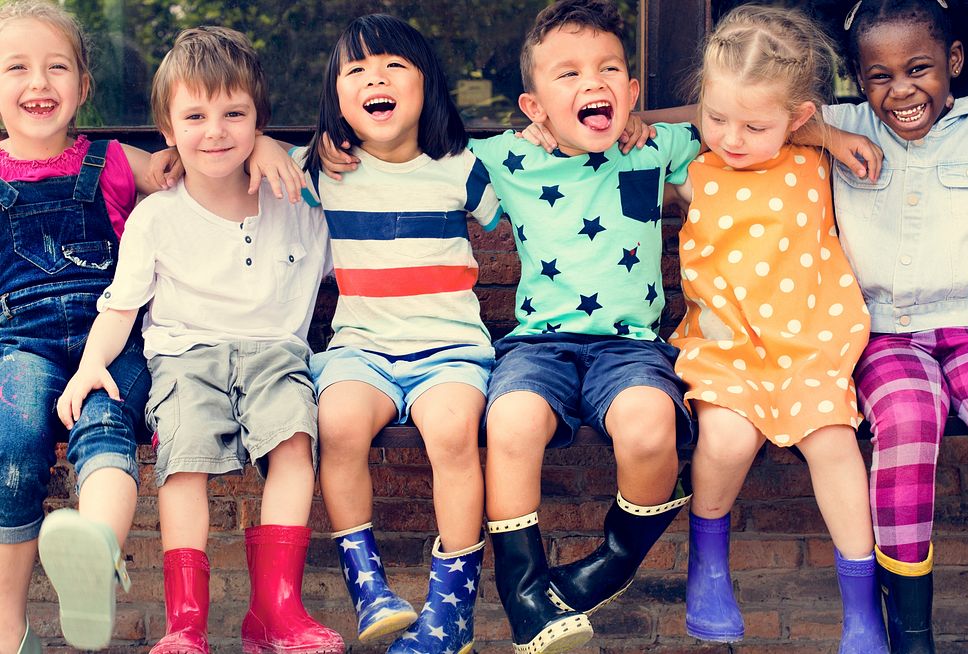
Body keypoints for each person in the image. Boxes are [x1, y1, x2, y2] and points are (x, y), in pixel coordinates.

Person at [57, 26, 343, 654]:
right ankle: (185, 623)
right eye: (195, 115)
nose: (215, 131)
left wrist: (276, 147)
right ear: (167, 131)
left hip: (277, 354)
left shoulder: (299, 190)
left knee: (295, 444)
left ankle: (277, 612)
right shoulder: (157, 216)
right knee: (182, 465)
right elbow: (121, 307)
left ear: (258, 121)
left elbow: (364, 144)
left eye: (235, 114)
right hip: (186, 357)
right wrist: (89, 367)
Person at [651, 6, 889, 652]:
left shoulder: (810, 158)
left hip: (809, 347)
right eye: (717, 117)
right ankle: (709, 567)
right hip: (726, 346)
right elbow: (650, 127)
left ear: (797, 120)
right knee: (725, 438)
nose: (730, 137)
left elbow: (815, 134)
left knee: (835, 444)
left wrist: (833, 140)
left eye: (755, 125)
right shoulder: (692, 164)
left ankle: (863, 611)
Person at [465, 1, 701, 650]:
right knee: (509, 424)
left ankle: (608, 566)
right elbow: (414, 150)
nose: (590, 83)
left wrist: (646, 118)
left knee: (652, 432)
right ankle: (523, 593)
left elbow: (734, 115)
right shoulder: (507, 157)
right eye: (566, 75)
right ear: (534, 105)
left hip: (630, 349)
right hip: (539, 346)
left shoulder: (652, 147)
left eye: (607, 71)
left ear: (628, 91)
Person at [297, 14, 501, 654]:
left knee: (451, 434)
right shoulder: (323, 174)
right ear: (337, 100)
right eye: (355, 71)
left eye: (393, 66)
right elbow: (241, 156)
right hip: (361, 347)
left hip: (451, 351)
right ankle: (369, 587)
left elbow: (528, 191)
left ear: (426, 86)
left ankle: (451, 609)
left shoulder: (463, 169)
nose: (374, 79)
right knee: (339, 425)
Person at [0, 1, 179, 650]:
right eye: (16, 67)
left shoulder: (117, 163)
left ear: (84, 85)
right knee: (13, 444)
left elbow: (192, 162)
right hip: (23, 347)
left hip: (113, 344)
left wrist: (265, 142)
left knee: (106, 420)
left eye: (56, 67)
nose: (38, 83)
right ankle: (9, 630)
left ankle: (95, 556)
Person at [826, 1, 968, 650]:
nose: (900, 90)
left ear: (953, 62)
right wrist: (827, 137)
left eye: (919, 68)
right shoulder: (842, 124)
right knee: (906, 420)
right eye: (879, 76)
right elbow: (744, 114)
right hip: (884, 335)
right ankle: (912, 630)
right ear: (858, 78)